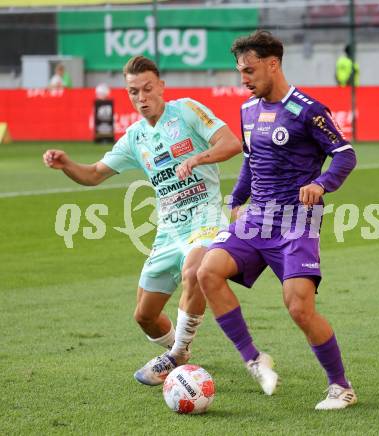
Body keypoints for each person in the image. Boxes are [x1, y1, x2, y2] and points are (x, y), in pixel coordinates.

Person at [43, 55, 241, 385]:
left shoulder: (187, 111)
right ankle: (180, 355)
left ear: (161, 86)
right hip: (168, 230)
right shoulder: (135, 138)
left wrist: (197, 158)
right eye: (133, 92)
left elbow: (231, 143)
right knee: (145, 316)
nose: (141, 97)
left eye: (147, 89)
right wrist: (66, 164)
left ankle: (176, 354)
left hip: (205, 217)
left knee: (196, 271)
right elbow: (93, 175)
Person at [197, 31, 358, 410]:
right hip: (256, 221)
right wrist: (236, 200)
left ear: (273, 64)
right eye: (240, 72)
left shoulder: (307, 110)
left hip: (296, 224)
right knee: (207, 272)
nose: (244, 79)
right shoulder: (248, 111)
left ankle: (341, 387)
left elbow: (345, 154)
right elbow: (251, 162)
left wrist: (321, 183)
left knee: (300, 308)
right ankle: (254, 359)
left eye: (249, 71)